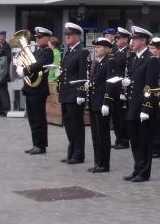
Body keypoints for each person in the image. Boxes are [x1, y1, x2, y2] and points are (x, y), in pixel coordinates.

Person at [122, 26, 160, 182]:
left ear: (143, 41)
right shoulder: (134, 58)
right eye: (131, 39)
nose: (131, 42)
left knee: (144, 141)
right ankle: (137, 167)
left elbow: (150, 86)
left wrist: (146, 108)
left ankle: (144, 171)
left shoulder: (150, 59)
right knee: (135, 140)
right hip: (132, 105)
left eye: (135, 39)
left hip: (143, 107)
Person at [16, 27, 53, 155]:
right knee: (32, 119)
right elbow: (30, 63)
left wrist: (25, 71)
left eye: (40, 37)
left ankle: (41, 145)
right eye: (36, 37)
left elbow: (38, 65)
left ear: (47, 38)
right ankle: (35, 143)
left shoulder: (48, 52)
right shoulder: (37, 51)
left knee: (39, 119)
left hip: (39, 90)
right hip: (31, 88)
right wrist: (20, 66)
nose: (37, 39)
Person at [56, 22, 89, 164]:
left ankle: (78, 154)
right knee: (68, 126)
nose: (67, 37)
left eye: (70, 34)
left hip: (75, 95)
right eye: (66, 35)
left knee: (77, 126)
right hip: (66, 94)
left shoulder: (82, 52)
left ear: (78, 36)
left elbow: (83, 75)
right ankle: (71, 152)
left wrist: (81, 94)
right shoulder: (69, 51)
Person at [87, 37, 120, 173]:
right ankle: (97, 162)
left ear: (107, 49)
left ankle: (104, 164)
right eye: (95, 47)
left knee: (103, 135)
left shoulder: (109, 62)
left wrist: (106, 101)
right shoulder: (97, 63)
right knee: (95, 135)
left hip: (102, 103)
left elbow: (109, 83)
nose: (96, 50)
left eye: (99, 47)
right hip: (94, 102)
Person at [109, 27, 132, 150]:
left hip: (122, 88)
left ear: (125, 39)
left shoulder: (128, 53)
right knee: (116, 116)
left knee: (122, 116)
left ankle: (123, 140)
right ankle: (118, 138)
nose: (116, 39)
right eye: (116, 37)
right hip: (114, 87)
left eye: (118, 38)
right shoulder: (117, 52)